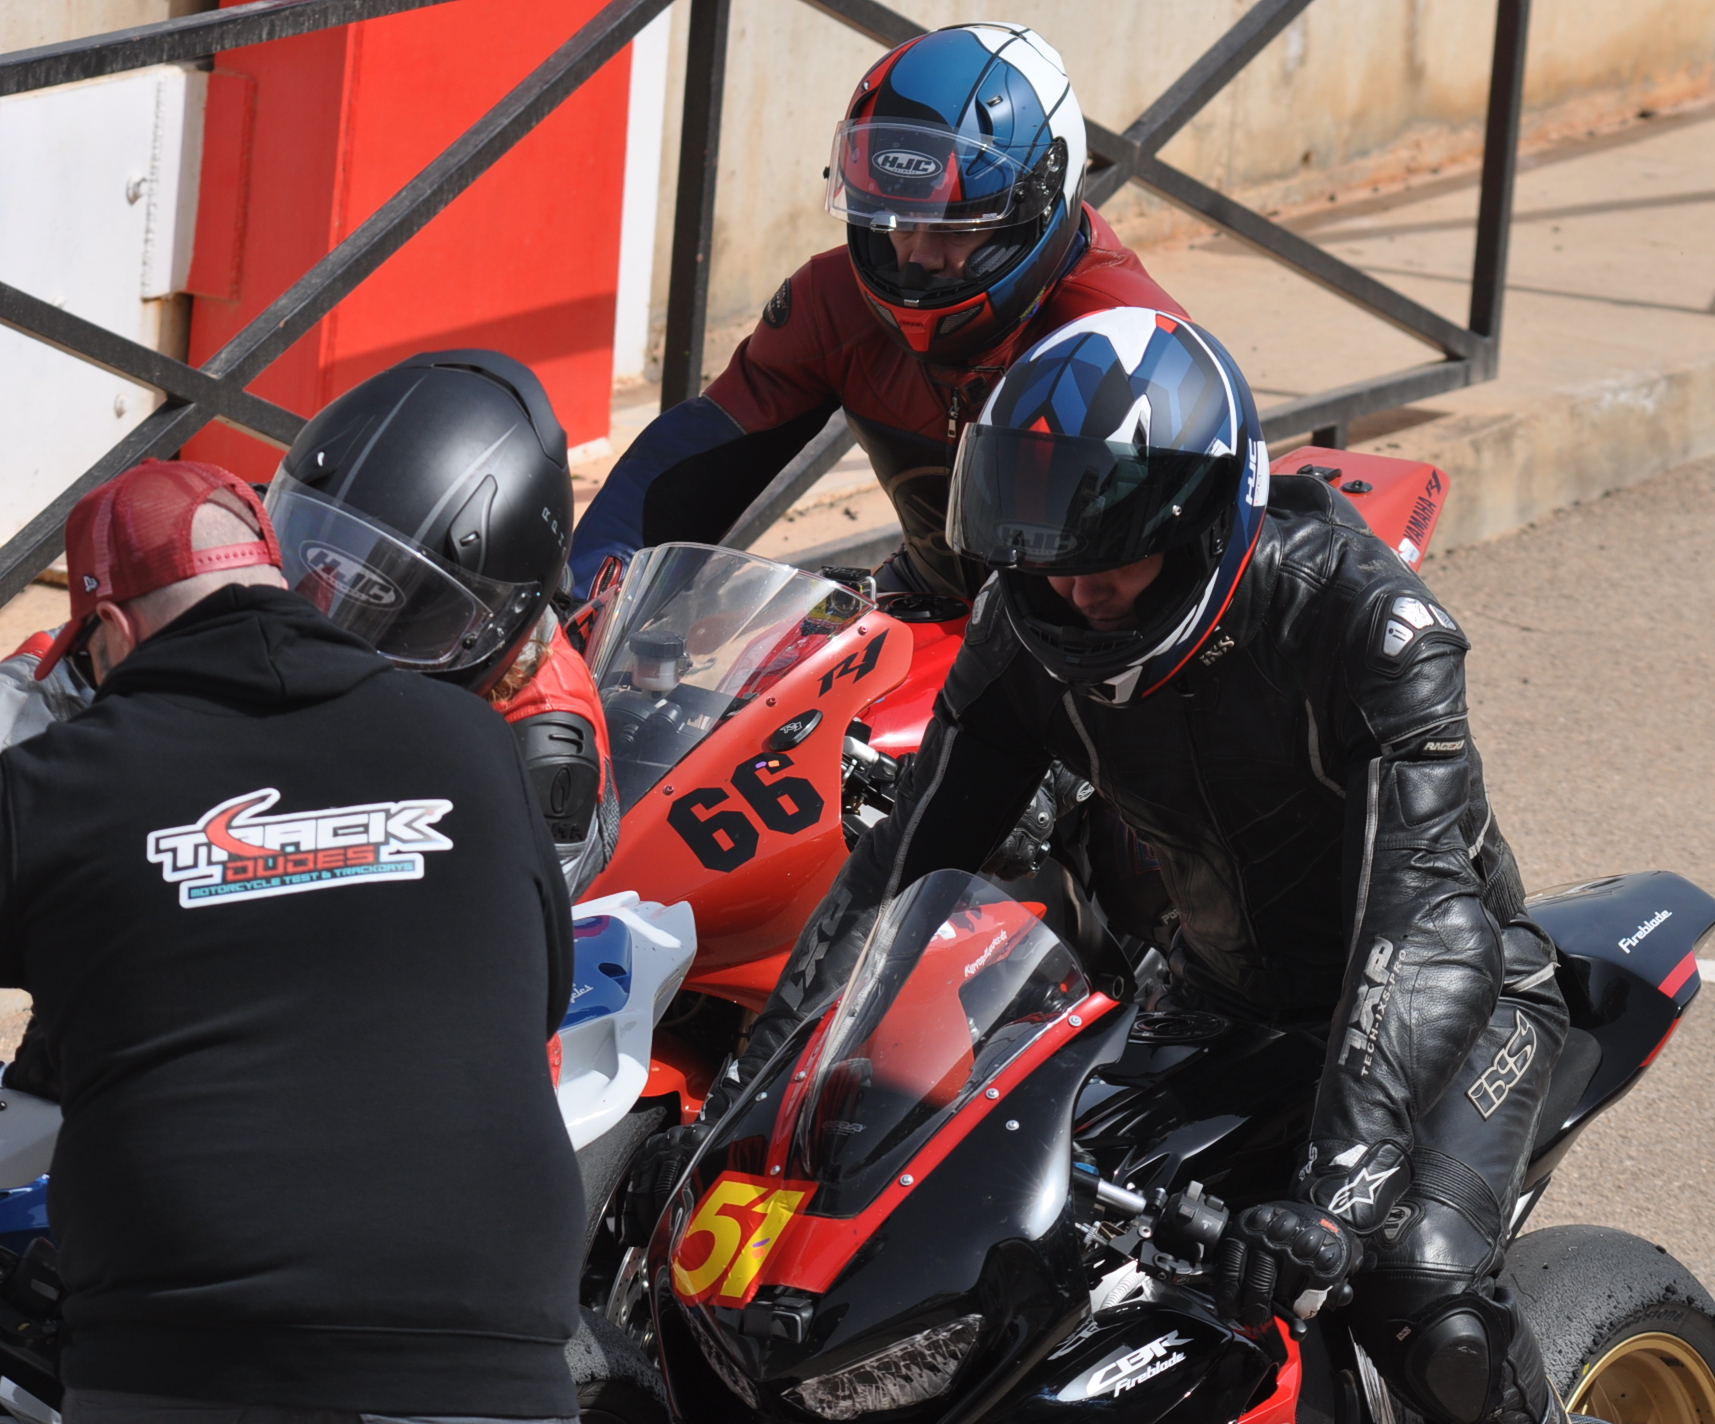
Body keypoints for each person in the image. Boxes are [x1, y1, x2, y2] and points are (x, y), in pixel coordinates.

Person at [727, 310, 1581, 1424]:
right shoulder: (1024, 629)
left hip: (1457, 1000)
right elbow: (906, 864)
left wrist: (1336, 1195)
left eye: (1109, 556)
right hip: (1217, 996)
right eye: (1047, 557)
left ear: (1200, 523)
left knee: (1419, 1298)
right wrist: (749, 1099)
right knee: (996, 1246)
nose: (1076, 591)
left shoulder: (1370, 629)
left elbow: (1422, 919)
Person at [0, 460, 584, 1422]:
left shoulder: (52, 786)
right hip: (491, 1356)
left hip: (191, 1356)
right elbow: (540, 996)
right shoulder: (474, 741)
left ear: (112, 631)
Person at [568, 22, 1187, 601]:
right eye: (895, 222)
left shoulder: (1131, 341)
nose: (916, 257)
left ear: (1037, 205)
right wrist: (575, 608)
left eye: (955, 227)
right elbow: (682, 473)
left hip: (1078, 637)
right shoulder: (831, 302)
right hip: (926, 593)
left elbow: (1187, 573)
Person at [265, 349, 618, 898]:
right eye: (324, 556)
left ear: (497, 619)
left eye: (391, 600)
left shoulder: (541, 741)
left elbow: (500, 928)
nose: (330, 616)